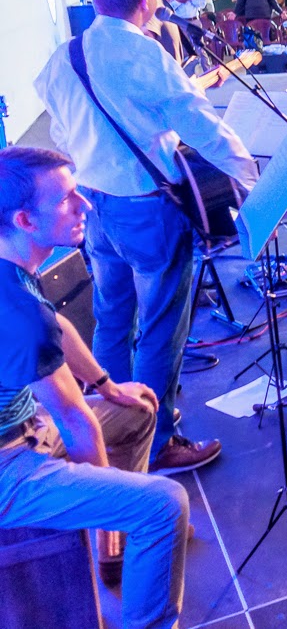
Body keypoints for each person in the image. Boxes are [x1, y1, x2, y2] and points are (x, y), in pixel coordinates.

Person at [34, 0, 257, 472]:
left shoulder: (64, 56)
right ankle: (158, 444)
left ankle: (114, 433)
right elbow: (200, 123)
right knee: (160, 325)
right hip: (145, 207)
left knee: (112, 317)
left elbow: (61, 130)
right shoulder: (142, 54)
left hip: (93, 204)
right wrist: (249, 176)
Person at [0, 146, 191, 627]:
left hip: (26, 427)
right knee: (164, 505)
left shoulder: (13, 261)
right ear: (25, 220)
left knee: (137, 409)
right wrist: (114, 514)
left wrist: (107, 385)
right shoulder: (19, 313)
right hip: (7, 466)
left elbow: (59, 325)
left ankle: (117, 549)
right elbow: (74, 419)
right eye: (67, 199)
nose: (85, 203)